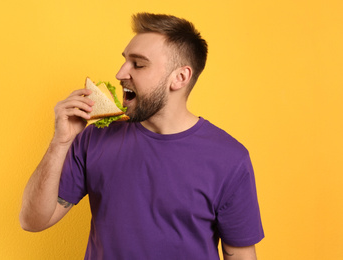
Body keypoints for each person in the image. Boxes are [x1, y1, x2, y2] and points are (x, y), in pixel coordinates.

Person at [20, 12, 264, 260]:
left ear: (180, 78)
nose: (120, 73)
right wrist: (60, 142)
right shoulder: (94, 138)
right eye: (125, 61)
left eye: (138, 64)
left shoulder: (229, 158)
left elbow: (240, 254)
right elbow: (32, 221)